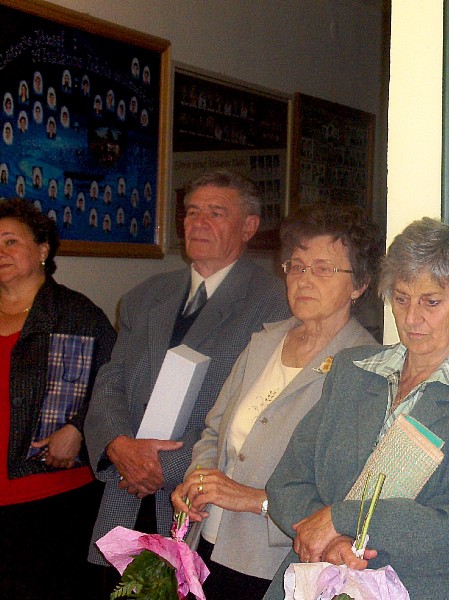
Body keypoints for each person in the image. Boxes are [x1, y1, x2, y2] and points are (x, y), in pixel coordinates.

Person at [264, 217, 449, 600]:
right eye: (401, 299)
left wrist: (341, 518)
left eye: (431, 302)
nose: (412, 317)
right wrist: (329, 539)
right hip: (319, 578)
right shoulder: (352, 371)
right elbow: (287, 481)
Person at [84, 171, 291, 592]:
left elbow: (256, 411)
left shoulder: (276, 303)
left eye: (216, 213)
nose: (199, 222)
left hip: (199, 497)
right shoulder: (145, 295)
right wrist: (117, 446)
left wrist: (160, 466)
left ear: (249, 226)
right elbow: (111, 379)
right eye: (192, 212)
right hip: (126, 487)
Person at [170, 205, 380, 599]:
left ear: (359, 284)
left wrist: (254, 500)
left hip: (280, 563)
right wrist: (198, 478)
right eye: (296, 266)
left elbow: (349, 493)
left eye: (323, 269)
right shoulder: (264, 341)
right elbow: (214, 431)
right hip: (208, 541)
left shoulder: (366, 367)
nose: (304, 279)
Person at [0, 199, 115, 600]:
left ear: (43, 249)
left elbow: (114, 386)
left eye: (11, 241)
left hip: (49, 491)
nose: (1, 252)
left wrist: (79, 428)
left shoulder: (75, 314)